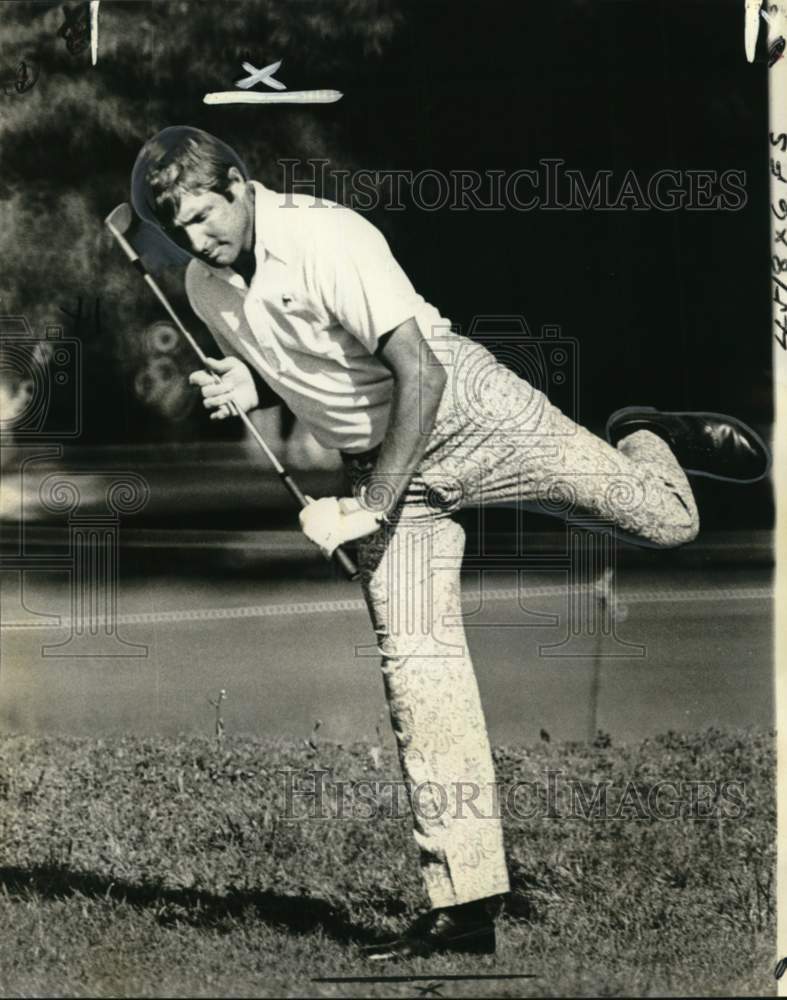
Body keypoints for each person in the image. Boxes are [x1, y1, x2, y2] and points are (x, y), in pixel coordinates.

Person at [129, 126, 770, 961]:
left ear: (241, 184)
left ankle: (644, 431)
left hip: (468, 411)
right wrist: (247, 380)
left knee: (665, 521)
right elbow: (309, 362)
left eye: (203, 217)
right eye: (176, 229)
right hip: (383, 466)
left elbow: (419, 372)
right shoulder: (203, 287)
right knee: (417, 667)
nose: (194, 239)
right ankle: (462, 906)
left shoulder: (328, 237)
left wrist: (368, 508)